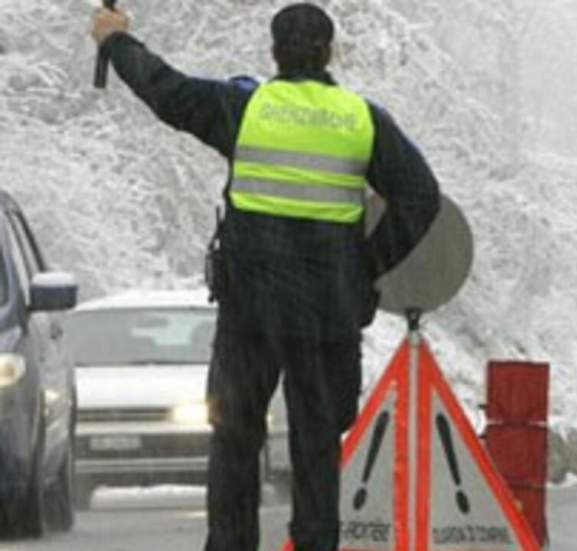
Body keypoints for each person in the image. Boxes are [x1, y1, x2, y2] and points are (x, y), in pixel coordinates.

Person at [89, 3, 441, 551]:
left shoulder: (245, 107)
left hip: (251, 310)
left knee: (234, 438)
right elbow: (421, 196)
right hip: (327, 313)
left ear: (274, 51)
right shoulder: (361, 119)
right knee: (318, 445)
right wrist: (365, 268)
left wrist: (116, 43)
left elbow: (168, 93)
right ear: (330, 52)